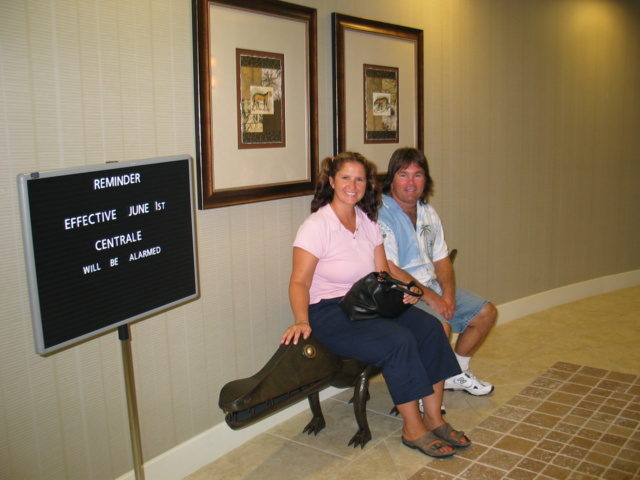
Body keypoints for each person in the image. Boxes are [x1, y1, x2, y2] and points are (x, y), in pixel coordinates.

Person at [280, 152, 471, 458]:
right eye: (345, 178)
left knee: (432, 329)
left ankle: (434, 418)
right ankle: (412, 428)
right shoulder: (316, 226)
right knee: (399, 341)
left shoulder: (367, 222)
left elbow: (382, 275)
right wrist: (302, 320)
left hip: (366, 302)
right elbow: (299, 283)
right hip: (330, 312)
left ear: (367, 184)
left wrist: (405, 291)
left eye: (359, 179)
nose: (352, 185)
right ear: (331, 181)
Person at [377, 147, 497, 397]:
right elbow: (390, 269)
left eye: (418, 175)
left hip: (430, 285)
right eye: (403, 174)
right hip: (397, 293)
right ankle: (425, 393)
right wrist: (434, 300)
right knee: (439, 326)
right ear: (392, 179)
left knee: (485, 313)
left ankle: (456, 373)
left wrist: (449, 296)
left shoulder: (427, 213)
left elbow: (442, 259)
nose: (411, 182)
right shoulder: (381, 214)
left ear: (426, 180)